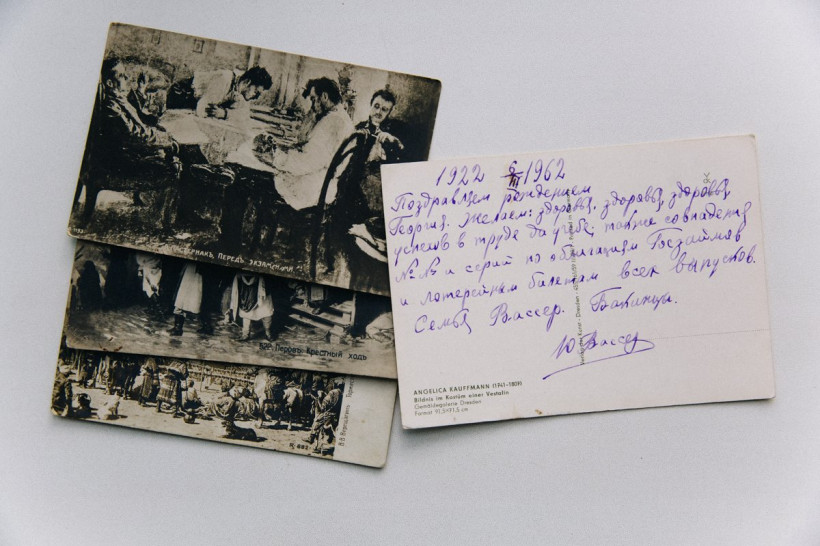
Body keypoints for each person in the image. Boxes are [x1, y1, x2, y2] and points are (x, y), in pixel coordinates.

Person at [77, 57, 180, 226]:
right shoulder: (110, 107)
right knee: (173, 169)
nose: (127, 78)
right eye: (122, 76)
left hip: (122, 155)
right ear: (110, 83)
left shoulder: (116, 99)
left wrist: (160, 133)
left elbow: (137, 119)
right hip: (119, 164)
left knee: (169, 149)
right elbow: (134, 135)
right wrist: (166, 139)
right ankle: (166, 223)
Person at [321, 89, 405, 293]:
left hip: (368, 194)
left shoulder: (389, 135)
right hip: (349, 186)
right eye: (376, 106)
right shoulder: (358, 129)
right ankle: (334, 266)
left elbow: (395, 161)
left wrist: (390, 144)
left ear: (389, 113)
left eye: (384, 109)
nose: (379, 112)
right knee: (337, 223)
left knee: (359, 232)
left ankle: (353, 272)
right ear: (370, 106)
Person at [255, 77, 354, 211]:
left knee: (259, 179)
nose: (312, 105)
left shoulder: (332, 122)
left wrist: (276, 158)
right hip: (324, 184)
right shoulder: (342, 117)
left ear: (324, 96)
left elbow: (308, 162)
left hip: (312, 187)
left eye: (313, 99)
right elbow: (305, 143)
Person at [166, 66, 272, 122]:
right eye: (256, 92)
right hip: (181, 95)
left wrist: (225, 114)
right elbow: (202, 109)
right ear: (247, 82)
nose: (255, 97)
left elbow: (244, 116)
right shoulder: (224, 79)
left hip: (194, 103)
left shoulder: (240, 91)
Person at [228, 273, 275, 341]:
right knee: (260, 312)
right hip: (246, 287)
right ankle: (246, 334)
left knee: (265, 311)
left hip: (259, 285)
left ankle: (267, 333)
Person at [307, 377, 344, 450]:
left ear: (336, 384)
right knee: (332, 428)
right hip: (335, 413)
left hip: (328, 412)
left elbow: (325, 402)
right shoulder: (342, 393)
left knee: (316, 421)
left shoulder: (332, 392)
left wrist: (320, 402)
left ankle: (311, 438)